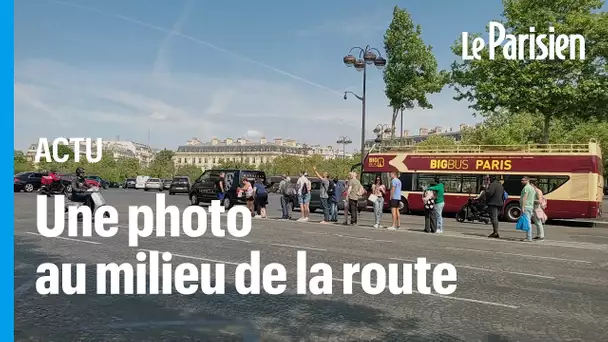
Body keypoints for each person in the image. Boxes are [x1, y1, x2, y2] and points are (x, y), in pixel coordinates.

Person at [520, 176, 536, 242]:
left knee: (528, 222)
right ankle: (528, 237)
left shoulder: (526, 188)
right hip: (530, 206)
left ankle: (529, 237)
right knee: (528, 221)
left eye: (523, 180)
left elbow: (524, 198)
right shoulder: (532, 188)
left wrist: (523, 207)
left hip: (526, 206)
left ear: (527, 180)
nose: (522, 181)